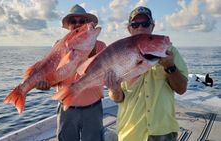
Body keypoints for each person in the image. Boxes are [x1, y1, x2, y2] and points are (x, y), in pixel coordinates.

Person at [105, 6, 188, 141]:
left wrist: (170, 67)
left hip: (163, 131)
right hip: (130, 133)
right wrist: (114, 89)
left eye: (145, 24)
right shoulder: (118, 54)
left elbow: (182, 89)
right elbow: (118, 98)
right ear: (129, 28)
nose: (140, 28)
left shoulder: (169, 51)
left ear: (152, 26)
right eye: (135, 24)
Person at [36, 4, 106, 141]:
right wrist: (45, 84)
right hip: (66, 110)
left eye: (82, 21)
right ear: (68, 26)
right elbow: (53, 74)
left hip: (93, 109)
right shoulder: (58, 46)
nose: (78, 24)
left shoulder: (101, 46)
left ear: (88, 24)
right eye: (73, 21)